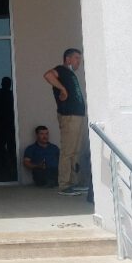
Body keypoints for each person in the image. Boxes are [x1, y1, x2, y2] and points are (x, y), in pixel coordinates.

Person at [44, 48, 89, 197]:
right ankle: (64, 185)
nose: (78, 61)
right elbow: (48, 75)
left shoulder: (70, 74)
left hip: (77, 116)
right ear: (67, 59)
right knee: (68, 151)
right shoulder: (61, 70)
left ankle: (74, 183)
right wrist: (62, 89)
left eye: (79, 59)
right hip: (69, 116)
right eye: (76, 58)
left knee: (75, 151)